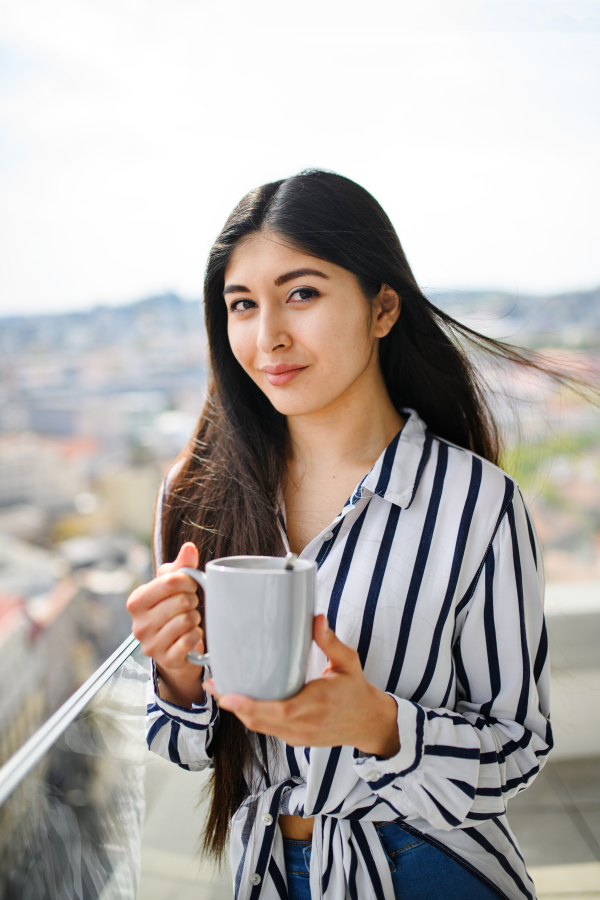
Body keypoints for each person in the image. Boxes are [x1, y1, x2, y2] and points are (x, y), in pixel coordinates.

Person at [127, 170, 554, 900]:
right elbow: (181, 746)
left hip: (431, 867)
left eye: (302, 293)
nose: (269, 338)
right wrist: (177, 676)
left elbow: (518, 748)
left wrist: (381, 724)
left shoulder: (477, 504)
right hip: (266, 874)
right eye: (241, 305)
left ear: (382, 307)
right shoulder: (195, 497)